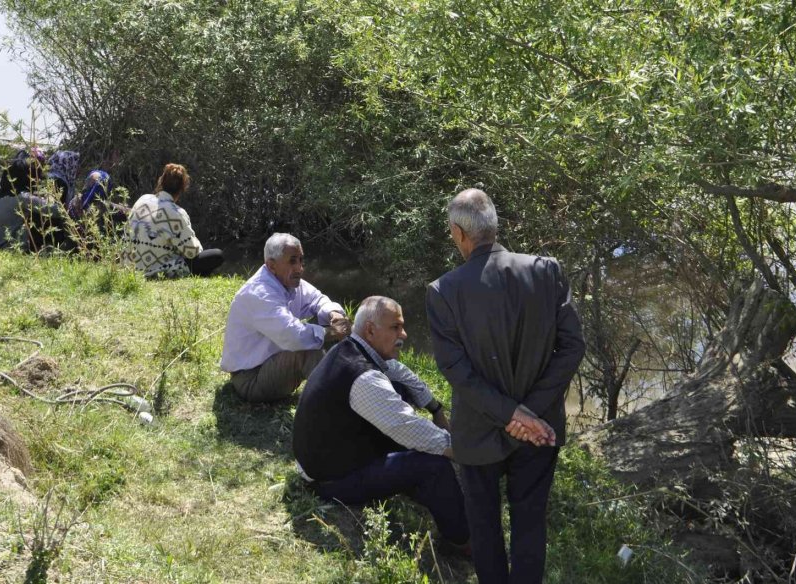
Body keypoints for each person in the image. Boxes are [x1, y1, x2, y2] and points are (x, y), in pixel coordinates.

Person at [426, 189, 586, 584]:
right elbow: (572, 346)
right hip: (540, 425)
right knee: (530, 521)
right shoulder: (546, 271)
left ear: (459, 234)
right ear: (495, 228)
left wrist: (512, 414)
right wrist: (528, 412)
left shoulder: (443, 291)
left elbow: (457, 371)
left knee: (484, 524)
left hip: (478, 430)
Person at [292, 296, 469, 550]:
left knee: (400, 388)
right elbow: (415, 430)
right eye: (395, 327)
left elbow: (399, 372)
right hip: (331, 481)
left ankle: (421, 488)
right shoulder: (364, 378)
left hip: (326, 458)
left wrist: (435, 408)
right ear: (371, 330)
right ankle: (461, 540)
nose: (404, 334)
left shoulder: (351, 349)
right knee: (434, 465)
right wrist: (468, 453)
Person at [220, 233, 351, 402]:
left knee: (323, 322)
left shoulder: (288, 281)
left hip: (273, 361)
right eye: (292, 261)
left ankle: (351, 384)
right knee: (307, 349)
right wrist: (332, 332)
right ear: (272, 266)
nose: (299, 268)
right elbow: (293, 336)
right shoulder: (260, 293)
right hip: (251, 378)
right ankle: (340, 402)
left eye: (301, 260)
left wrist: (334, 315)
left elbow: (317, 300)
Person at [126, 163, 223, 278]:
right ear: (183, 188)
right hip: (154, 271)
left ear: (160, 181)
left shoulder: (142, 199)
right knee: (216, 255)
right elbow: (192, 252)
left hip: (130, 267)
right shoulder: (176, 212)